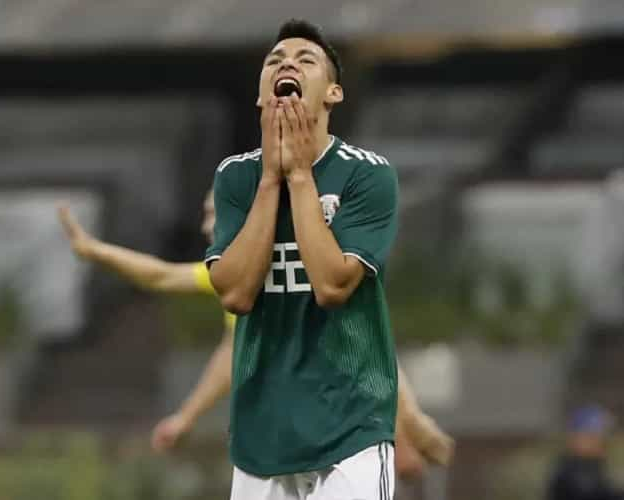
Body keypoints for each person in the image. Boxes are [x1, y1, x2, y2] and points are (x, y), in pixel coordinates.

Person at [58, 193, 453, 478]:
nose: (205, 224)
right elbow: (164, 279)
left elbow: (355, 339)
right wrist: (94, 252)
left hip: (354, 389)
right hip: (306, 413)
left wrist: (398, 429)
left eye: (213, 212)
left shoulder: (292, 257)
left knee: (424, 442)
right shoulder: (233, 276)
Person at [207, 19, 404, 499]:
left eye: (305, 60)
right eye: (274, 61)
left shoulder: (367, 176)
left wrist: (297, 176)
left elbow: (333, 286)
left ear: (333, 93)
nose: (287, 64)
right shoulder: (236, 177)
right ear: (260, 96)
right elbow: (234, 292)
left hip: (351, 426)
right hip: (262, 433)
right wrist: (271, 180)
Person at [547, 405, 623, 500]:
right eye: (592, 436)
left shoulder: (595, 465)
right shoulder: (570, 470)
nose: (601, 441)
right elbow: (591, 492)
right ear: (576, 438)